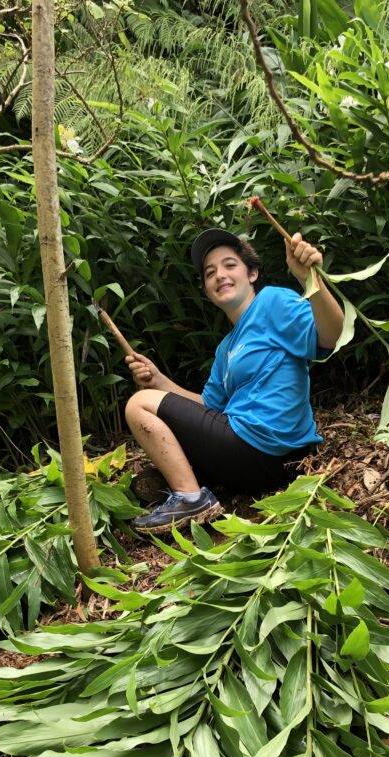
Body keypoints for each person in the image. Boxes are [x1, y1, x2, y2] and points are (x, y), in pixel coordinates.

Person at [124, 226, 344, 532]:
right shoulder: (226, 348)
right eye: (210, 272)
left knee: (137, 405)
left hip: (273, 450)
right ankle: (191, 488)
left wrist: (310, 279)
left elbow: (331, 335)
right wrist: (159, 381)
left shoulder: (271, 301)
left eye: (230, 265)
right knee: (147, 478)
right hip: (252, 458)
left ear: (252, 274)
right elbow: (208, 408)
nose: (220, 275)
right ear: (206, 289)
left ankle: (191, 500)